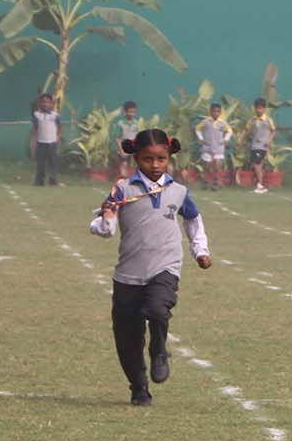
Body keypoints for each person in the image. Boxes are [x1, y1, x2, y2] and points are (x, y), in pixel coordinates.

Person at [88, 129, 212, 407]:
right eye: (147, 159)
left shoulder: (178, 191)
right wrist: (103, 220)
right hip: (129, 273)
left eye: (161, 159)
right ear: (136, 158)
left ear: (169, 158)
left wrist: (201, 250)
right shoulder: (123, 190)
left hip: (165, 267)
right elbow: (107, 229)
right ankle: (139, 389)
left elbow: (194, 220)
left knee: (157, 309)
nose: (155, 165)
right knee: (127, 337)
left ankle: (159, 350)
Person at [195, 102, 232, 189]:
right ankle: (205, 181)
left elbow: (229, 131)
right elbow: (197, 129)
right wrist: (201, 138)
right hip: (207, 147)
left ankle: (216, 182)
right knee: (207, 165)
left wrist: (226, 139)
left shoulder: (222, 123)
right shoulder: (206, 122)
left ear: (220, 112)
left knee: (217, 164)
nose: (216, 113)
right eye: (214, 111)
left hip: (218, 147)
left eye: (218, 111)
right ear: (210, 112)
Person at [244, 97, 276, 193]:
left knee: (257, 165)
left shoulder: (268, 120)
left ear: (264, 109)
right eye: (257, 108)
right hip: (254, 146)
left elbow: (273, 131)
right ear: (254, 108)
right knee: (258, 166)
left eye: (261, 108)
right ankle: (260, 185)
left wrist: (269, 141)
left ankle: (260, 185)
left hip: (262, 146)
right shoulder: (252, 120)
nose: (258, 110)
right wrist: (241, 140)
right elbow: (247, 130)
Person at [30, 93, 62, 186]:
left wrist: (57, 139)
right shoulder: (37, 115)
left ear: (51, 104)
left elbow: (60, 128)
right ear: (40, 103)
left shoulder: (55, 115)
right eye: (43, 102)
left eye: (48, 102)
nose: (45, 104)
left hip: (52, 143)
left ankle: (53, 181)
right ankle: (39, 181)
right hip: (41, 143)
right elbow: (35, 129)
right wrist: (34, 142)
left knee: (52, 163)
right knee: (40, 163)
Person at [115, 100, 142, 179]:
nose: (132, 114)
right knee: (124, 164)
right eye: (130, 112)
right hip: (124, 148)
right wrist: (121, 150)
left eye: (134, 112)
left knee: (137, 165)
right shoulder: (120, 123)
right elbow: (117, 138)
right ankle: (123, 179)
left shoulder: (136, 123)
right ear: (125, 112)